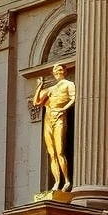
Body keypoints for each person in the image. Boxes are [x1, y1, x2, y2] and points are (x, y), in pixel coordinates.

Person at [32, 63, 76, 191]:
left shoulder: (69, 84)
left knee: (60, 150)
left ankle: (67, 181)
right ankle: (57, 182)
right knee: (52, 153)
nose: (57, 71)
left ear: (64, 71)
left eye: (59, 69)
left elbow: (73, 99)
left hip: (59, 117)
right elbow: (36, 102)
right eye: (55, 70)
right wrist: (39, 86)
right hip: (48, 119)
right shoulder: (51, 89)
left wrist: (63, 109)